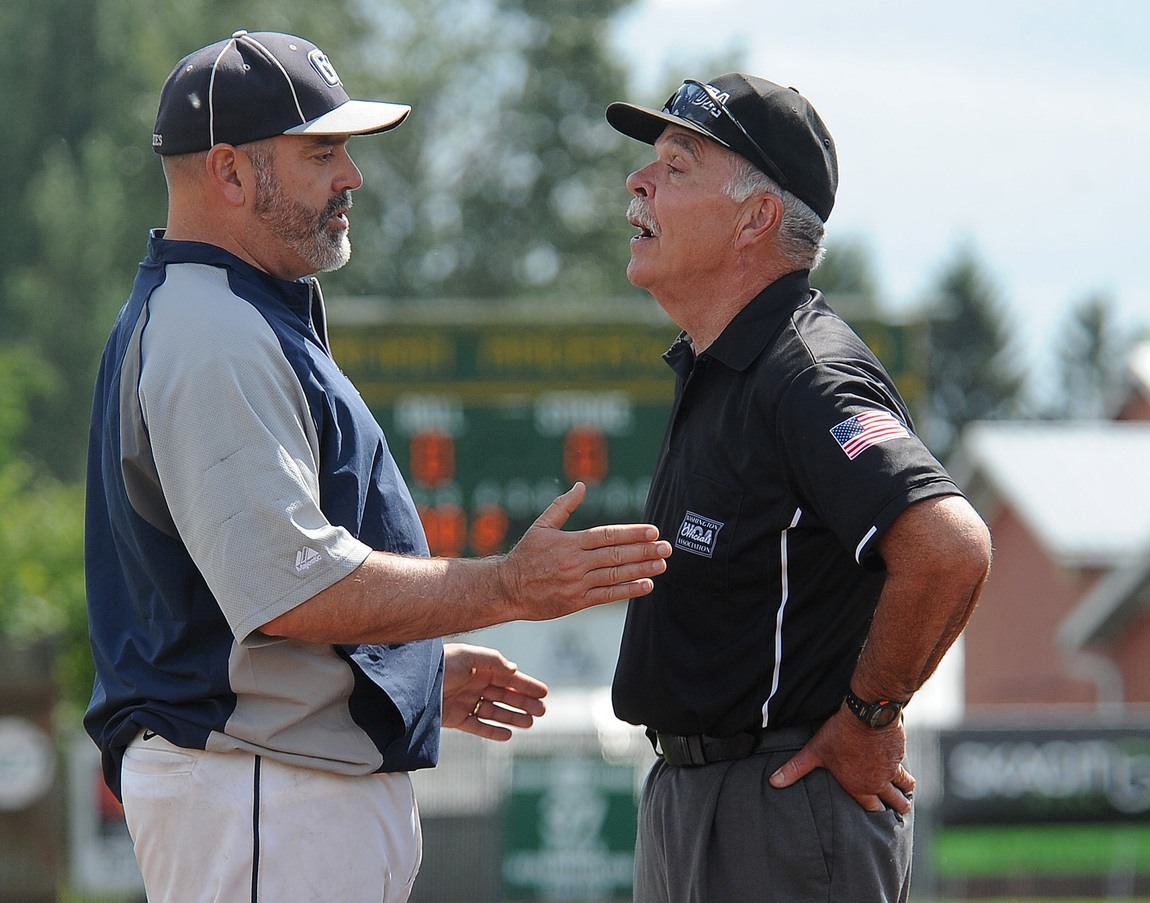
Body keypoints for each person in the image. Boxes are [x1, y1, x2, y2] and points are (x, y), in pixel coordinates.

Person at [84, 30, 670, 903]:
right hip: (260, 791)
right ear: (231, 173)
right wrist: (508, 585)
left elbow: (254, 596)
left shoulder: (236, 312)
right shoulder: (212, 334)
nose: (351, 176)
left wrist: (411, 673)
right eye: (322, 152)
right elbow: (293, 591)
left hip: (272, 789)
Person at [604, 74, 993, 902]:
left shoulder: (807, 372)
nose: (638, 180)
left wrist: (870, 718)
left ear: (756, 219)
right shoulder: (724, 362)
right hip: (695, 797)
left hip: (779, 805)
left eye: (678, 167)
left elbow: (950, 549)